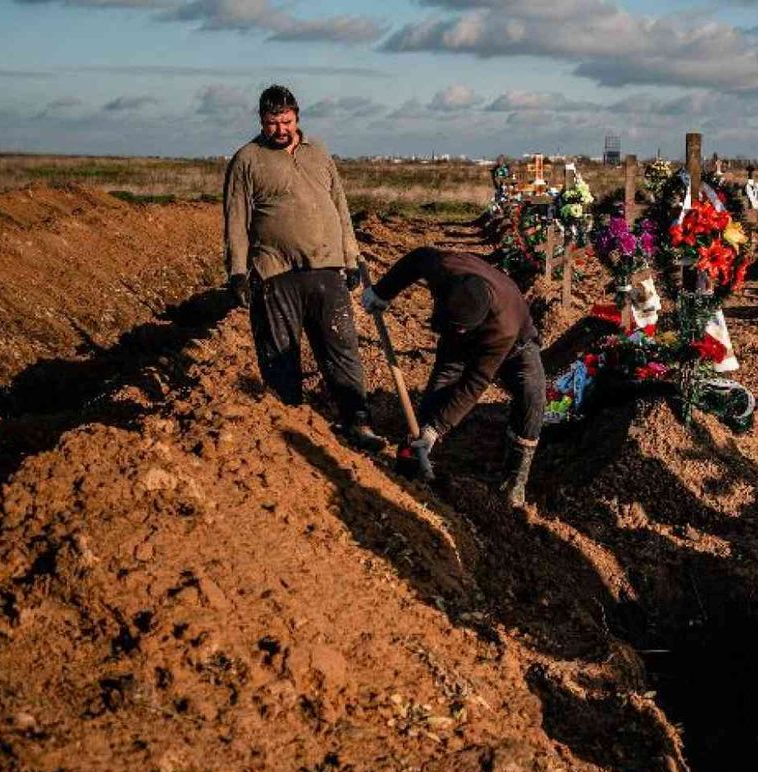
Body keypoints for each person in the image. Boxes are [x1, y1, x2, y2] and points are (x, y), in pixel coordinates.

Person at [222, 84, 382, 451]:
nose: (280, 129)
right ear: (261, 121)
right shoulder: (247, 159)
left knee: (341, 348)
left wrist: (351, 257)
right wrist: (237, 271)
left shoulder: (319, 152)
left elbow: (339, 205)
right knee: (280, 355)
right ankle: (289, 425)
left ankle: (357, 422)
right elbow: (235, 219)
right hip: (275, 272)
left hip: (327, 269)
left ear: (297, 117)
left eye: (286, 121)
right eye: (272, 122)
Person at [360, 247, 544, 506]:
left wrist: (438, 427)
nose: (458, 335)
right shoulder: (444, 268)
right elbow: (416, 258)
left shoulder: (502, 328)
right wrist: (382, 292)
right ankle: (412, 457)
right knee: (442, 381)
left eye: (461, 330)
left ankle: (514, 482)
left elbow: (475, 381)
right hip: (458, 322)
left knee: (532, 396)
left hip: (517, 345)